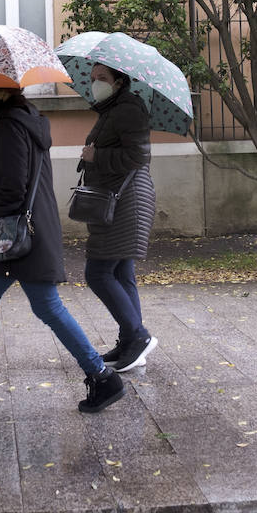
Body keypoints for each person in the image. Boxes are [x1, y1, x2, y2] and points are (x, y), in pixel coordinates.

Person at [0, 86, 125, 413]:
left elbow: (12, 188)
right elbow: (18, 173)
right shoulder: (26, 120)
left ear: (1, 89)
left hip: (19, 236)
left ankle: (101, 375)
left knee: (47, 306)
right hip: (32, 229)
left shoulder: (10, 126)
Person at [79, 62, 157, 372]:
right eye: (93, 78)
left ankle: (138, 337)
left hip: (126, 201)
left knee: (97, 273)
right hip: (117, 198)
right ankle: (129, 342)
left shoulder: (127, 109)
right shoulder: (112, 109)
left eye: (102, 78)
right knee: (123, 273)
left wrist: (96, 155)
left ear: (119, 81)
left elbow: (138, 157)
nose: (95, 83)